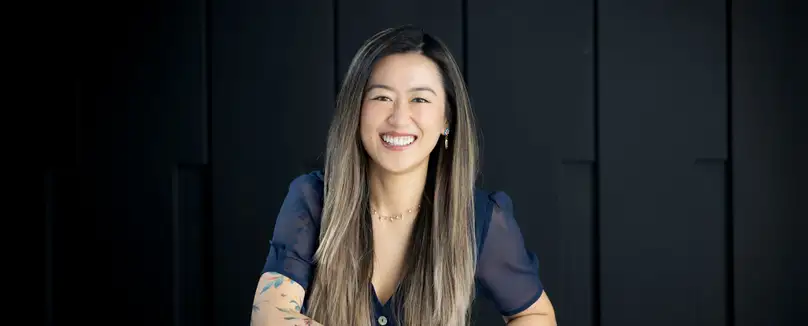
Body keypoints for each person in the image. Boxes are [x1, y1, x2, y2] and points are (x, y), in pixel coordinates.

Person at [250, 25, 556, 326]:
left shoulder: (478, 218)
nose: (398, 118)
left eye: (419, 99)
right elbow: (270, 315)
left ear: (446, 119)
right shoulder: (312, 199)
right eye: (381, 97)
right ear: (356, 110)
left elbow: (535, 315)